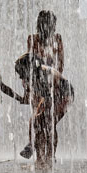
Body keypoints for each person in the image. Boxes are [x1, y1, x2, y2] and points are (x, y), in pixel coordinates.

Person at [14, 53, 74, 170]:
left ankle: (49, 158)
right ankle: (40, 159)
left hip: (65, 95)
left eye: (21, 72)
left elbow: (47, 98)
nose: (20, 77)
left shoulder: (44, 74)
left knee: (49, 123)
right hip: (53, 96)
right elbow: (33, 98)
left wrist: (38, 115)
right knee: (38, 123)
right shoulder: (32, 76)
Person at [21, 10, 64, 159]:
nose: (52, 27)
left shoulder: (57, 39)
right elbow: (29, 63)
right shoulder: (32, 39)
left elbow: (61, 64)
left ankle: (50, 155)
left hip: (52, 86)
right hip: (37, 86)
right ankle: (40, 156)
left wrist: (53, 82)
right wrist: (27, 85)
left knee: (50, 121)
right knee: (38, 120)